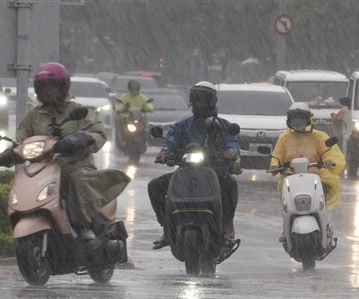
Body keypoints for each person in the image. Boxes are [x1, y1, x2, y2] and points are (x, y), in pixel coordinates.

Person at [17, 62, 130, 239]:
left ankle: (85, 224)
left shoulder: (77, 111)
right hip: (43, 168)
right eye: (44, 88)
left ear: (63, 88)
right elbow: (22, 138)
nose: (48, 92)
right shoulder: (33, 115)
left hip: (76, 165)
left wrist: (83, 139)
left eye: (52, 87)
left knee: (78, 181)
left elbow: (98, 132)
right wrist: (13, 151)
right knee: (22, 183)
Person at [147, 81, 239, 250]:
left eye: (204, 98)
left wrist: (230, 153)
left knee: (230, 184)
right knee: (155, 186)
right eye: (197, 98)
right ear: (191, 100)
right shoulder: (183, 126)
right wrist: (164, 153)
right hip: (185, 174)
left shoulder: (224, 126)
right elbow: (171, 140)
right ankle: (167, 227)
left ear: (212, 100)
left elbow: (232, 144)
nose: (200, 102)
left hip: (215, 174)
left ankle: (226, 226)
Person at [269, 102, 346, 214]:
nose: (298, 121)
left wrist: (329, 161)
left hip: (316, 179)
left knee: (320, 204)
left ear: (308, 119)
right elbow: (277, 155)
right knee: (288, 207)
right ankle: (287, 228)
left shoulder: (319, 137)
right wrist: (274, 165)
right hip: (291, 178)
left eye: (301, 118)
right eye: (294, 118)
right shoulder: (284, 138)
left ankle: (324, 224)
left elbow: (327, 153)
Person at [114, 79, 154, 149]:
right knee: (120, 126)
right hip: (127, 119)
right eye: (133, 88)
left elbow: (148, 104)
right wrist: (122, 108)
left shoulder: (142, 97)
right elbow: (119, 105)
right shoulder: (124, 97)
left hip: (139, 119)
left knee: (146, 129)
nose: (134, 90)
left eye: (136, 88)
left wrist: (148, 108)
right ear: (129, 88)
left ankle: (145, 141)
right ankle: (121, 139)